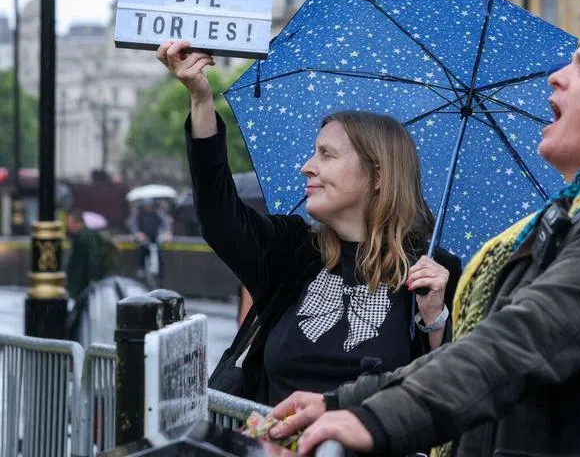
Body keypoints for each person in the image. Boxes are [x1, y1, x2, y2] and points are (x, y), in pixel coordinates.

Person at [268, 14, 580, 457]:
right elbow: (476, 346)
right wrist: (341, 403)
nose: (557, 76)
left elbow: (511, 348)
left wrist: (373, 420)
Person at [157, 40, 461, 406]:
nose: (307, 166)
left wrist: (435, 321)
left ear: (377, 175)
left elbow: (447, 396)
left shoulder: (432, 271)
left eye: (327, 155)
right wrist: (201, 100)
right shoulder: (294, 251)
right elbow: (219, 216)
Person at [65, 208, 116, 299]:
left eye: (69, 222)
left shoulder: (86, 236)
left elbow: (93, 258)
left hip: (82, 282)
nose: (67, 225)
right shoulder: (79, 236)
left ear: (77, 222)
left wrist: (93, 279)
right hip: (80, 282)